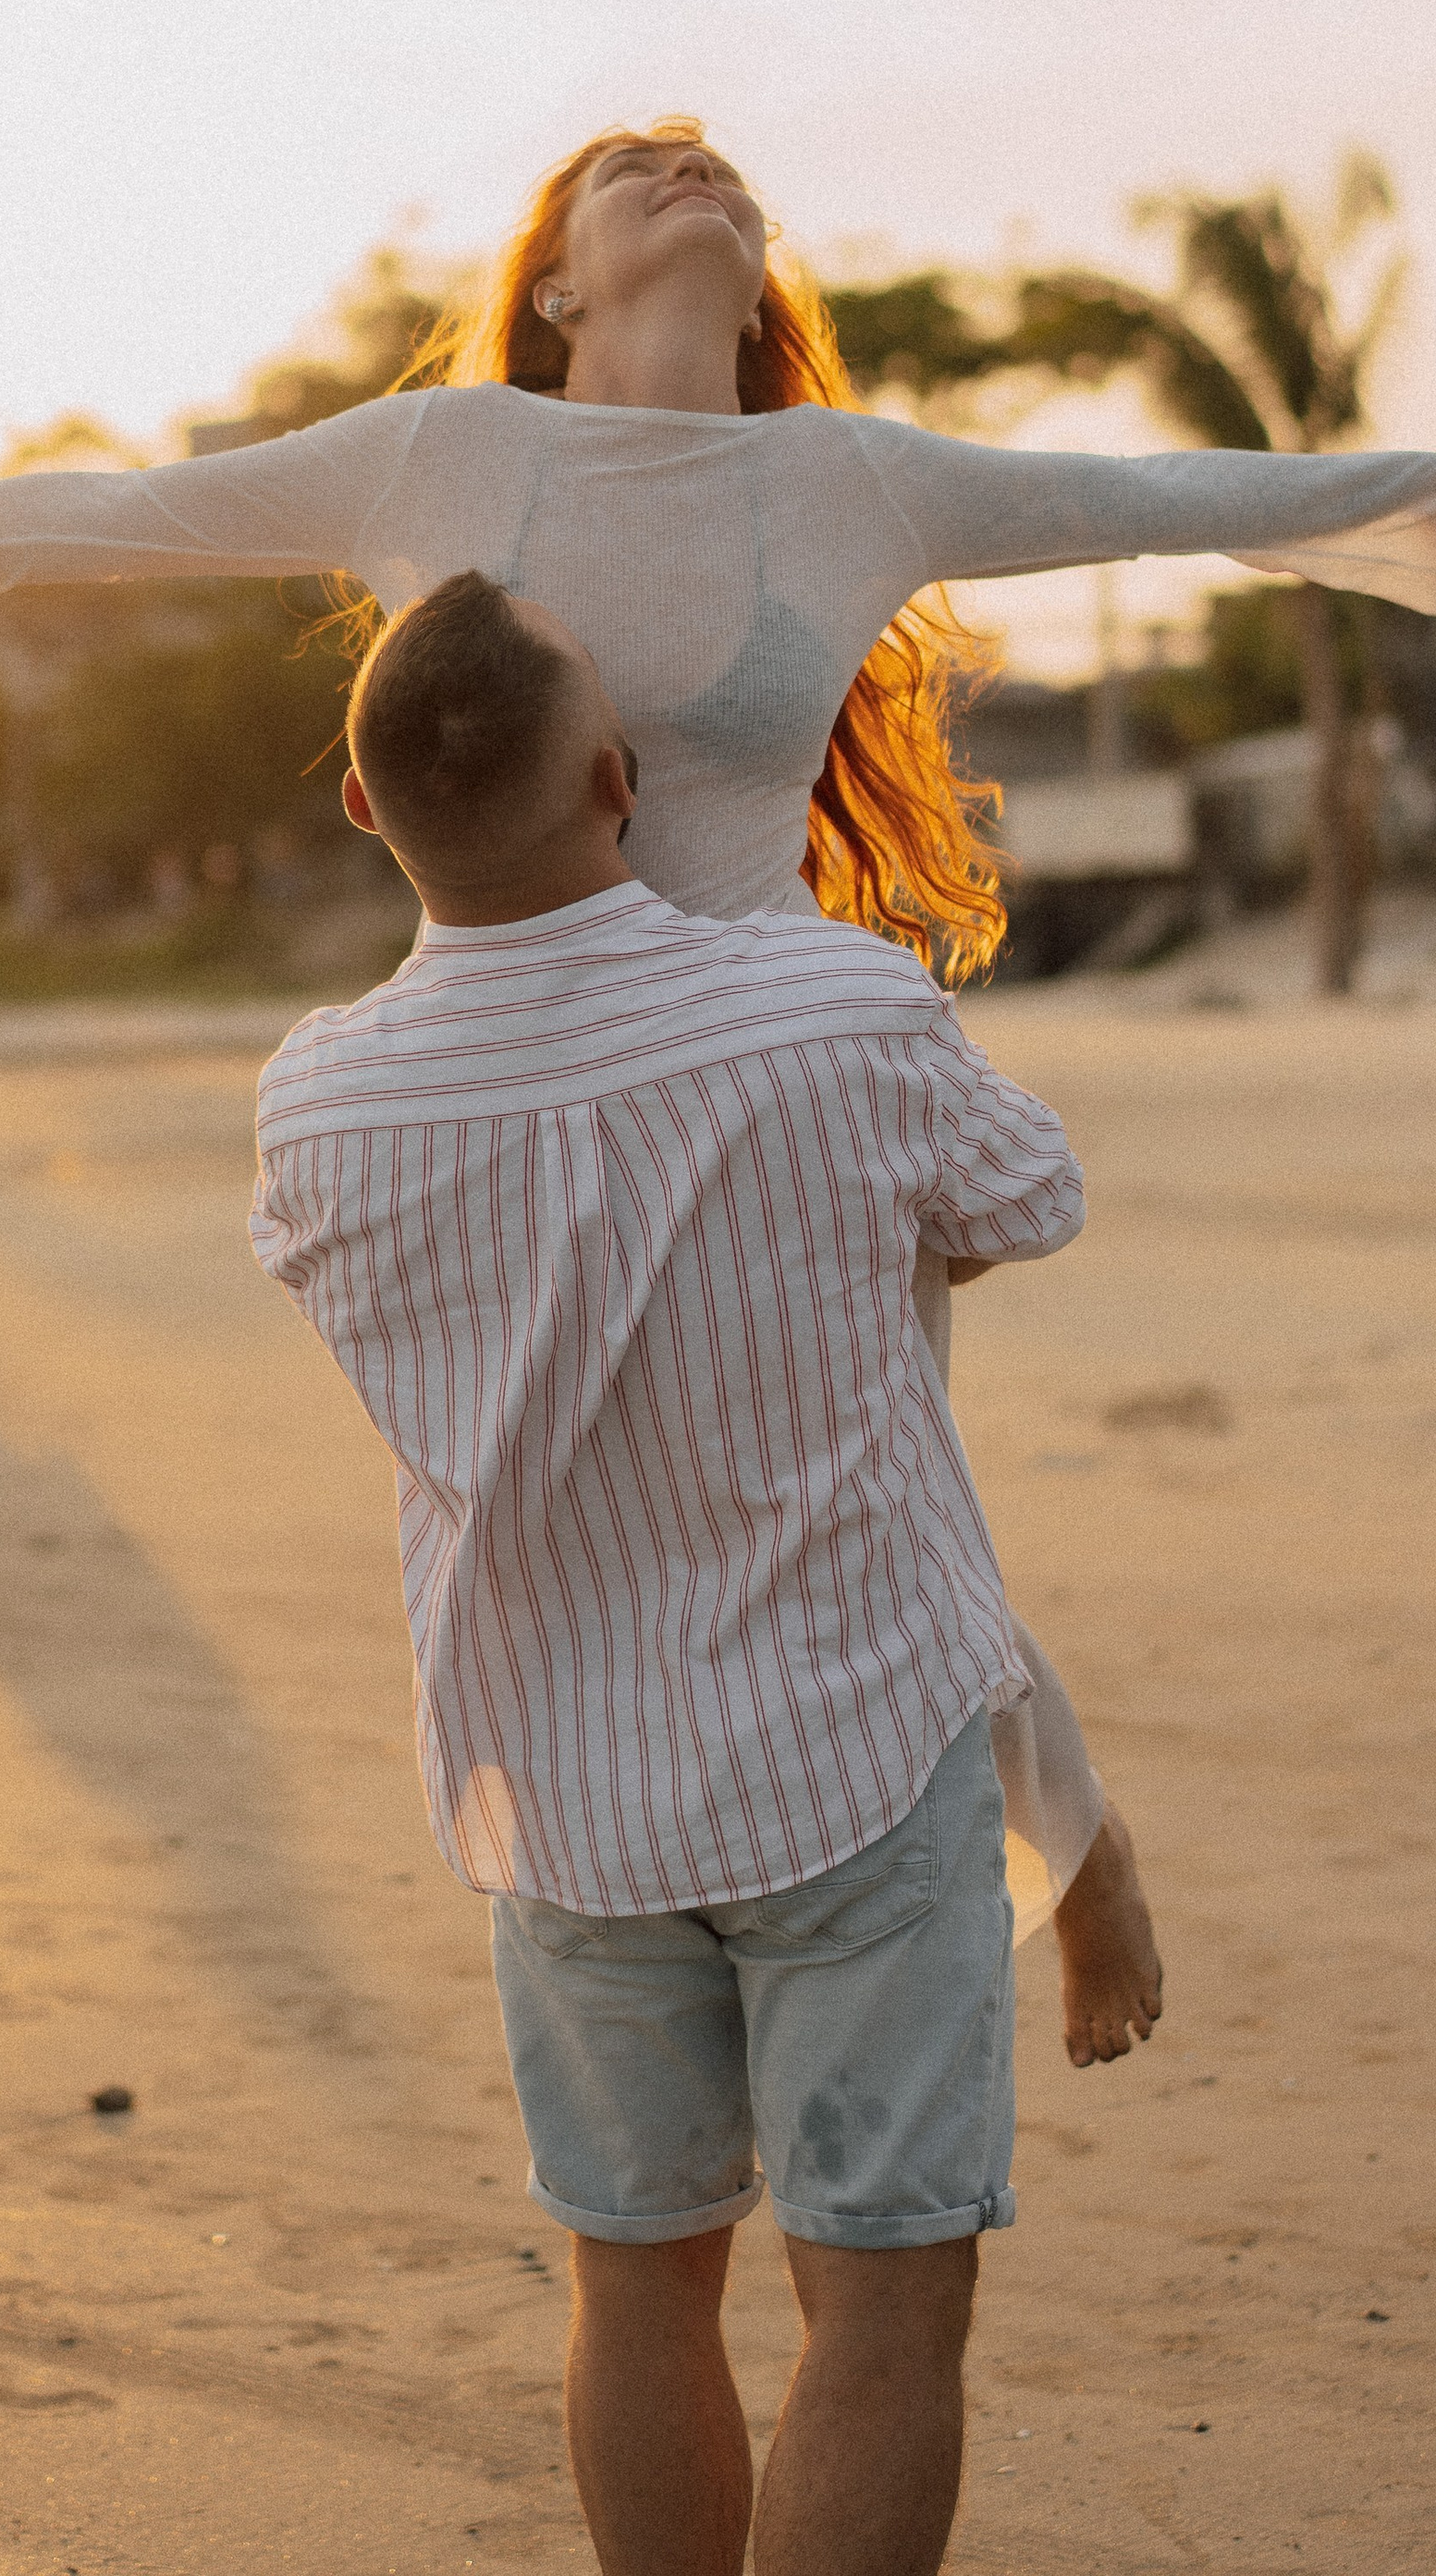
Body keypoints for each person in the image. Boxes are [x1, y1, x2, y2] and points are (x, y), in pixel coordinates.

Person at [0, 119, 1436, 1969]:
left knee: (890, 1483)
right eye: (629, 163)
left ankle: (1069, 1859)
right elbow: (114, 519)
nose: (683, 159)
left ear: (752, 274)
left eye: (710, 157)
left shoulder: (850, 480)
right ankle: (630, 1902)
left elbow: (1166, 503)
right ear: (554, 285)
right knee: (556, 1508)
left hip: (787, 1078)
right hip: (518, 1079)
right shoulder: (441, 458)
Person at [251, 568, 1156, 2576]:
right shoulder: (831, 1001)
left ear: (361, 803)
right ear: (619, 780)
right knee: (882, 2310)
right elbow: (1029, 1195)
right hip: (843, 1746)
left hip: (551, 1785)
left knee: (633, 2286)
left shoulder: (318, 1096)